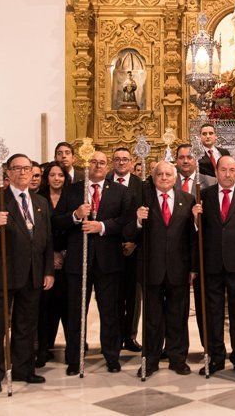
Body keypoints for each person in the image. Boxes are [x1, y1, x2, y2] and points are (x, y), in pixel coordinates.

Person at [0, 154, 54, 393]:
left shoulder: (40, 201)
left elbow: (47, 240)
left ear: (33, 171)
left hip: (33, 273)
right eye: (17, 168)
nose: (23, 173)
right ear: (7, 173)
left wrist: (48, 271)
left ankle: (23, 368)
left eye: (27, 168)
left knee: (26, 325)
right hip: (4, 273)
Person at [53, 151, 133, 375]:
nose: (98, 165)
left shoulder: (120, 191)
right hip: (78, 261)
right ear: (87, 165)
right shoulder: (72, 191)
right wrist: (76, 215)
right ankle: (74, 358)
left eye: (102, 162)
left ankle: (112, 356)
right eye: (94, 162)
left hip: (108, 262)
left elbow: (125, 221)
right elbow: (57, 221)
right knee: (76, 312)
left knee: (110, 312)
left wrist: (102, 227)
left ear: (108, 167)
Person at [192, 155, 235, 377]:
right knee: (213, 314)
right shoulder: (204, 195)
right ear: (217, 172)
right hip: (211, 265)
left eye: (232, 170)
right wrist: (195, 220)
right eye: (223, 170)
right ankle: (215, 357)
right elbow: (198, 231)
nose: (228, 174)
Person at [134, 161, 196, 377]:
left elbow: (192, 238)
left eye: (168, 174)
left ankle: (177, 358)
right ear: (153, 177)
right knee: (152, 318)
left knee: (178, 316)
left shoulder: (188, 200)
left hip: (179, 269)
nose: (163, 177)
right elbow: (129, 233)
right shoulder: (143, 201)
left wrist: (193, 268)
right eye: (159, 174)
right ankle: (149, 360)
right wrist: (138, 222)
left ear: (176, 177)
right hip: (151, 269)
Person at [175, 143, 217, 348]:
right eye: (181, 157)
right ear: (176, 160)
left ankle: (208, 348)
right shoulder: (165, 181)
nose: (185, 160)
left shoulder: (210, 183)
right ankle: (175, 348)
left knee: (204, 305)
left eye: (189, 157)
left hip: (203, 253)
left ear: (196, 160)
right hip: (175, 252)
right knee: (176, 306)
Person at [108, 147, 145, 354]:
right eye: (117, 159)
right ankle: (113, 336)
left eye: (125, 159)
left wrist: (134, 242)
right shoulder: (105, 182)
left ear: (132, 163)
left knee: (133, 295)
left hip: (134, 248)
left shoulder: (141, 185)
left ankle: (130, 336)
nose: (121, 163)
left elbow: (145, 216)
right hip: (110, 247)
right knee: (112, 295)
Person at [35, 162, 70, 367]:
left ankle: (73, 346)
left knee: (67, 305)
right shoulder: (39, 199)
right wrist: (52, 255)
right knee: (44, 307)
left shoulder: (72, 197)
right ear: (46, 177)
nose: (57, 179)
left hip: (67, 259)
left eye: (61, 175)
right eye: (53, 175)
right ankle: (43, 347)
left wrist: (63, 253)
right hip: (45, 260)